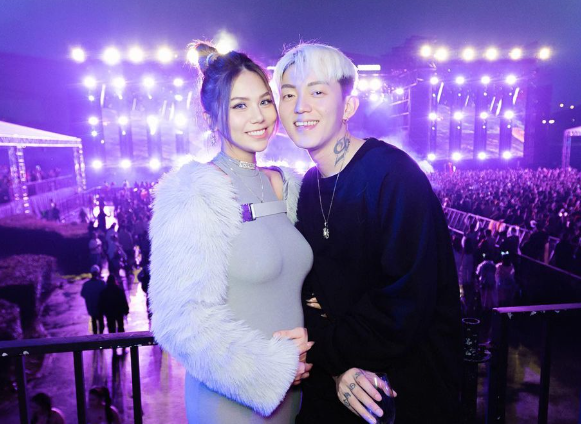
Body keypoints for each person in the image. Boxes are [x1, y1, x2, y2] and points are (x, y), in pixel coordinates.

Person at [273, 43, 462, 424]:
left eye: (317, 92)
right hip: (336, 385)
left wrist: (320, 348)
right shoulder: (308, 187)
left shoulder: (393, 175)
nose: (300, 107)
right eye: (289, 95)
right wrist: (336, 367)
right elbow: (308, 294)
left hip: (403, 391)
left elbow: (405, 304)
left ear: (348, 107)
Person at [148, 42, 314, 423]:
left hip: (294, 396)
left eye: (264, 101)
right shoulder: (195, 190)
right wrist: (271, 370)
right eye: (239, 106)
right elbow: (178, 320)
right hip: (234, 402)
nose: (258, 116)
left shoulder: (284, 185)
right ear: (211, 119)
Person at [81, 265, 106, 334]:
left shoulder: (86, 285)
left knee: (94, 322)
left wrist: (90, 298)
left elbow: (83, 294)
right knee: (101, 323)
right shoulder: (102, 283)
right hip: (100, 307)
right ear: (98, 273)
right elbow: (106, 294)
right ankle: (101, 336)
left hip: (91, 307)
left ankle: (95, 337)